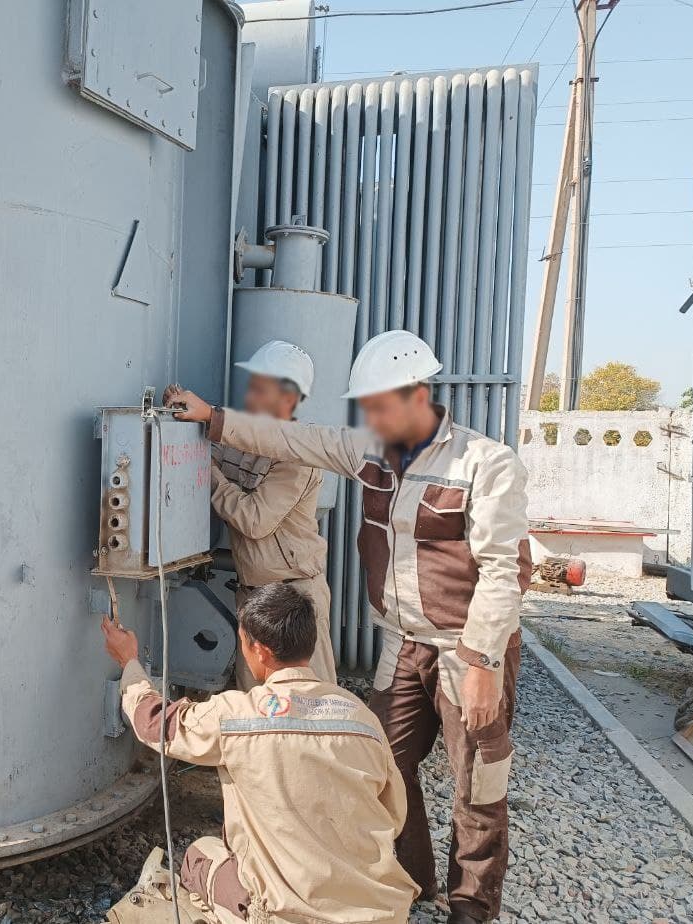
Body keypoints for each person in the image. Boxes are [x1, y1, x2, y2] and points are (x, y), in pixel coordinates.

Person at [166, 330, 532, 924]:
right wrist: (214, 418)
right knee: (384, 760)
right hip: (402, 641)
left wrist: (485, 664)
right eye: (365, 408)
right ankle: (412, 880)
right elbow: (293, 437)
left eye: (379, 406)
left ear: (417, 394)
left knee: (478, 786)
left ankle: (473, 908)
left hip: (467, 647)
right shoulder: (369, 449)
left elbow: (502, 570)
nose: (371, 418)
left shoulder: (484, 463)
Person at [102, 584, 417, 924]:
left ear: (261, 651)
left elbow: (155, 723)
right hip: (381, 913)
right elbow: (394, 815)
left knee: (198, 857)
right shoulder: (360, 716)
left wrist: (130, 662)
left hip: (291, 915)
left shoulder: (238, 716)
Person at [201, 339, 335, 687]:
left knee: (309, 707)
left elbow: (254, 520)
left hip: (294, 600)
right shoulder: (251, 441)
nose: (250, 396)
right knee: (260, 708)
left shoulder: (298, 453)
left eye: (260, 388)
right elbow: (214, 448)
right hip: (254, 597)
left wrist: (207, 472)